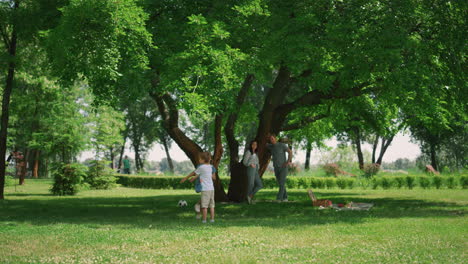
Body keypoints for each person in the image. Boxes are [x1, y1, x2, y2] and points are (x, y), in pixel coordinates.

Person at [180, 152, 216, 223]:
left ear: (203, 160)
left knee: (204, 206)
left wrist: (186, 178)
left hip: (205, 189)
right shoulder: (211, 167)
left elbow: (194, 173)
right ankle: (212, 220)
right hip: (211, 189)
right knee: (212, 206)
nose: (199, 160)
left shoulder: (201, 167)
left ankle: (204, 220)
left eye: (200, 159)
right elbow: (213, 177)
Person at [266, 134, 293, 202]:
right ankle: (285, 198)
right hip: (276, 168)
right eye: (270, 139)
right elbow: (264, 144)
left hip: (283, 167)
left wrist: (288, 161)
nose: (271, 140)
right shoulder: (271, 146)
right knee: (281, 183)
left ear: (275, 138)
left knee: (281, 183)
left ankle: (279, 198)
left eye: (272, 138)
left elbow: (290, 152)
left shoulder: (282, 145)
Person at [242, 140, 263, 204]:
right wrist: (250, 164)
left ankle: (249, 196)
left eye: (256, 144)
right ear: (251, 145)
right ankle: (249, 199)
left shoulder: (256, 153)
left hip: (256, 169)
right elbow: (244, 162)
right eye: (253, 144)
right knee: (251, 184)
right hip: (250, 168)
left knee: (260, 185)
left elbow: (257, 162)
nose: (254, 146)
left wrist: (258, 167)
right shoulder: (248, 152)